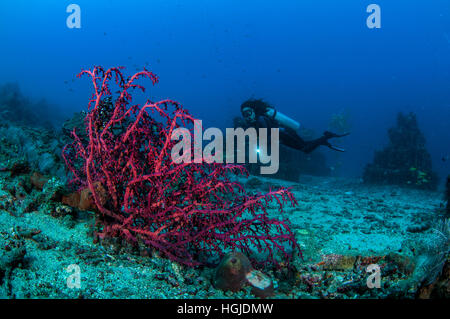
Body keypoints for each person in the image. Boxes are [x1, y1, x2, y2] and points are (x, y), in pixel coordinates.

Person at [240, 99, 349, 153]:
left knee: (305, 149)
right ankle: (324, 139)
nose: (247, 116)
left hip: (284, 133)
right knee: (304, 146)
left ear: (254, 111)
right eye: (244, 115)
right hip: (283, 134)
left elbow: (267, 134)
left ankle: (325, 138)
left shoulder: (261, 119)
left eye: (248, 113)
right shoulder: (255, 122)